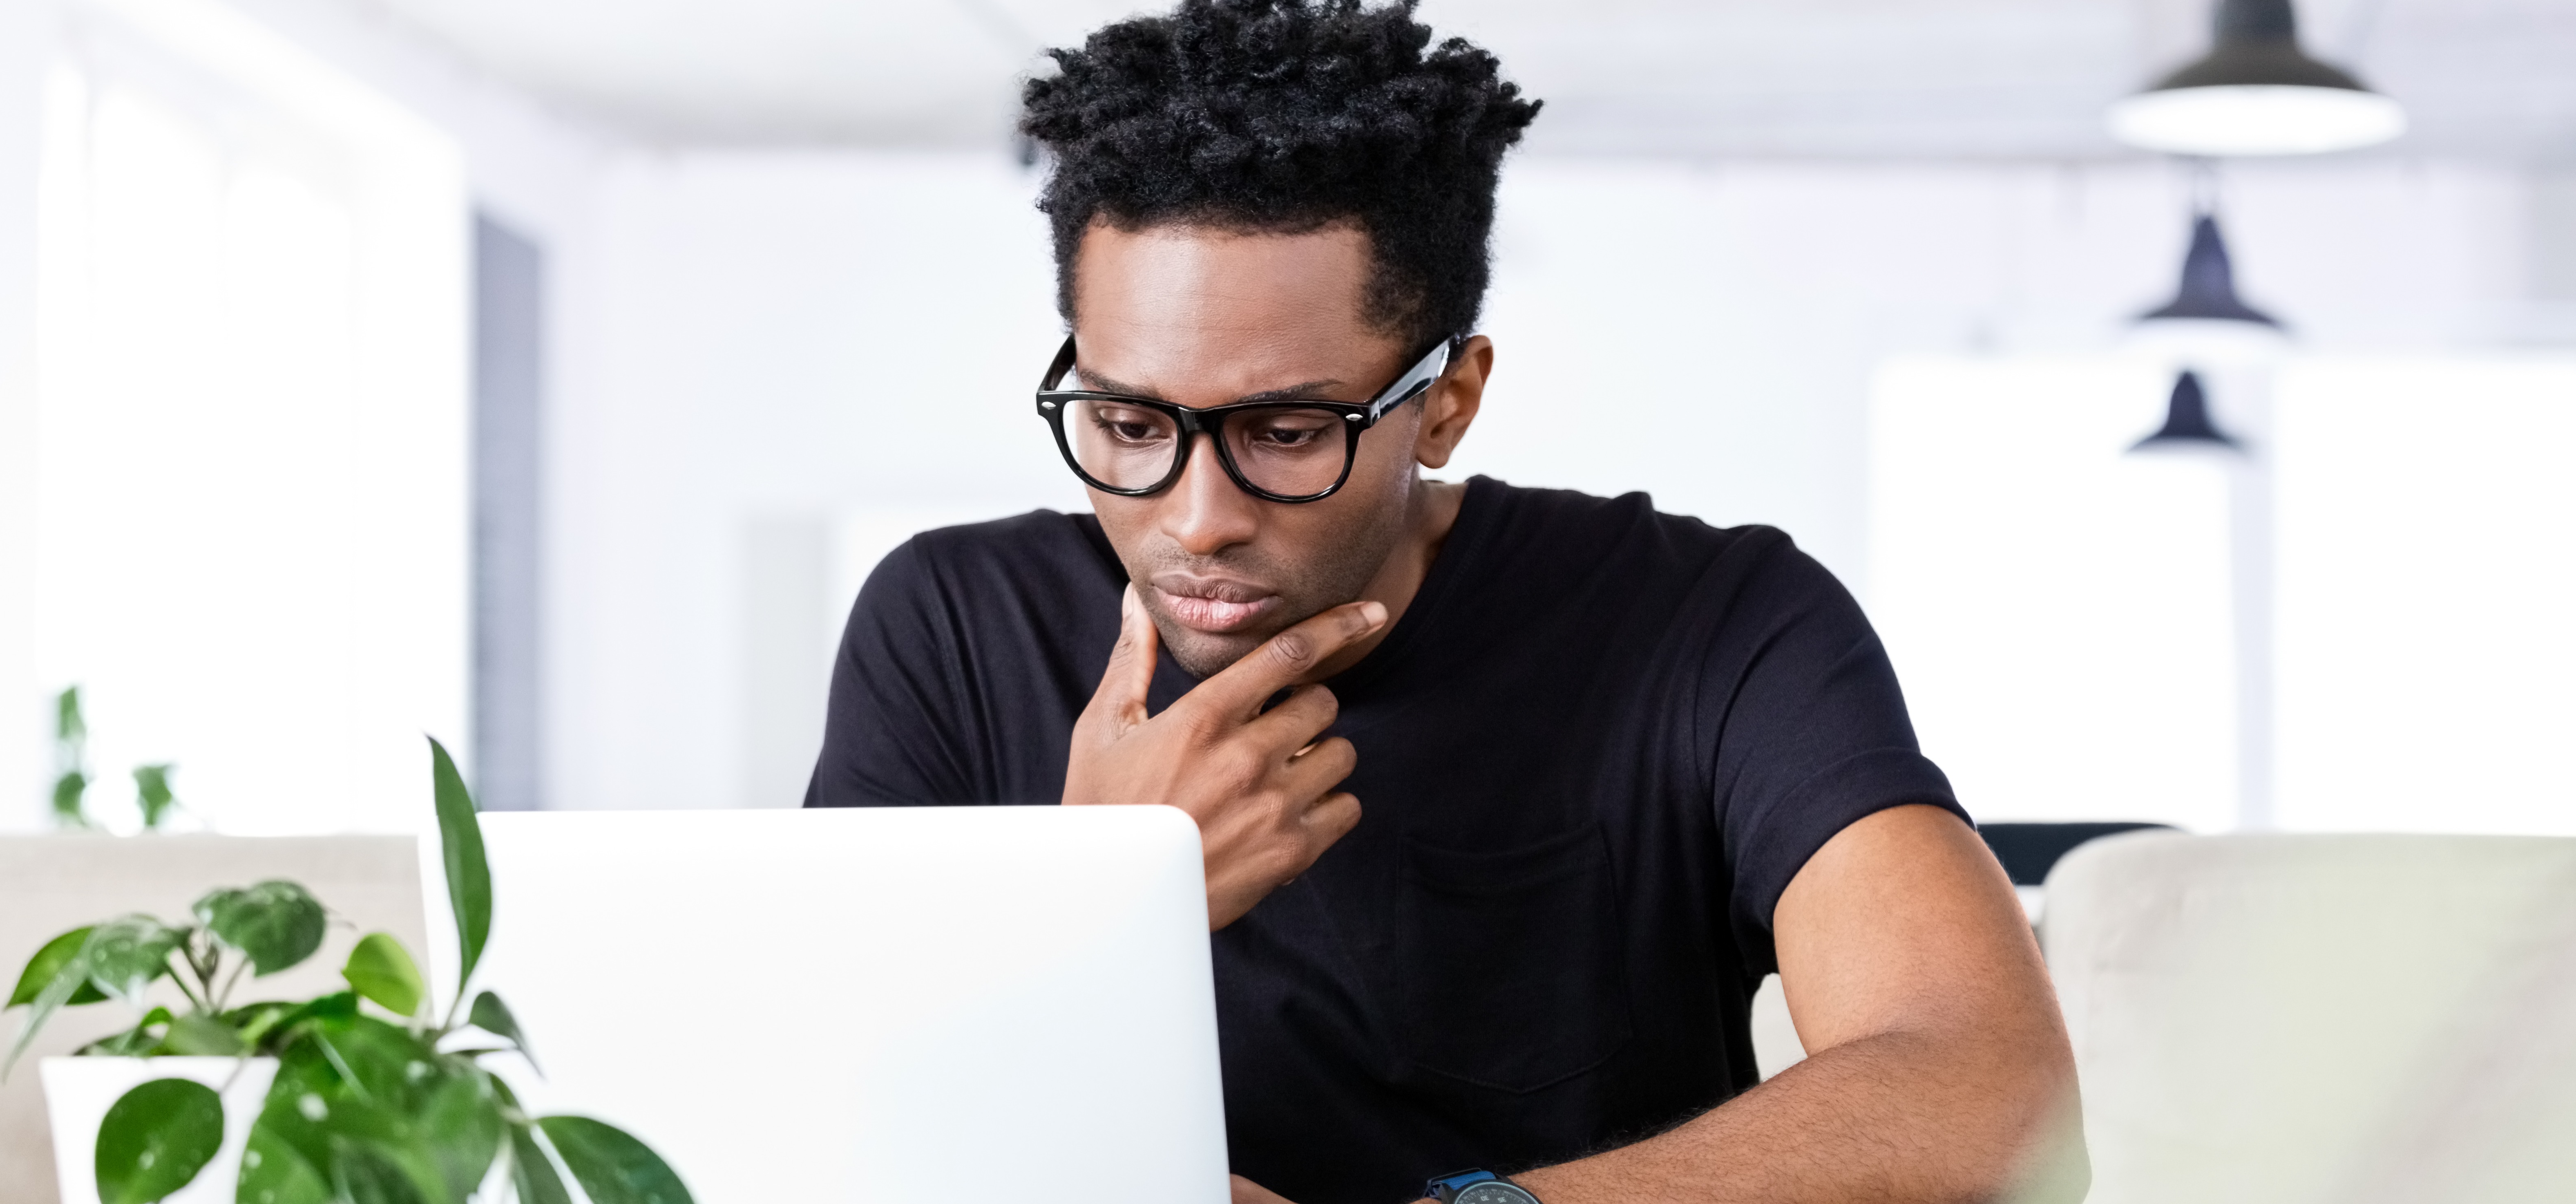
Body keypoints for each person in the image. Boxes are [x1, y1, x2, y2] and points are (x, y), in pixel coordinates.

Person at [805, 2, 2084, 1201]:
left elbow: (1995, 1093)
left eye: (1288, 431)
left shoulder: (1719, 619)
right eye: (1130, 422)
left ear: (1447, 400)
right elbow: (815, 1106)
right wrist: (1104, 895)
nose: (1195, 515)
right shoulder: (951, 621)